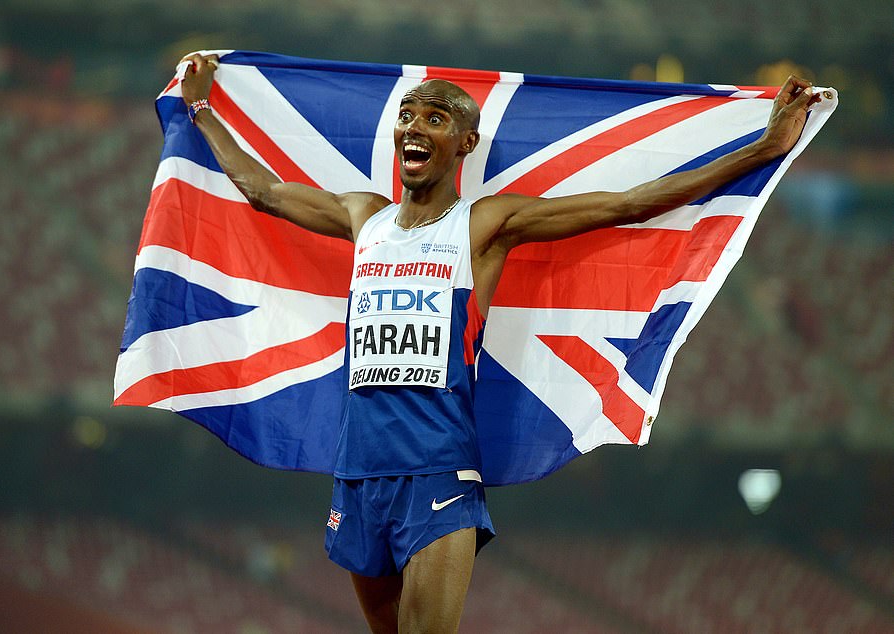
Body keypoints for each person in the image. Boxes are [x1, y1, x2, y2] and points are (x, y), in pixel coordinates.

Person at [179, 52, 820, 633]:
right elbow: (260, 191)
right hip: (359, 473)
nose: (413, 127)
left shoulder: (485, 225)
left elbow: (631, 203)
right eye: (407, 115)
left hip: (438, 469)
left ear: (465, 142)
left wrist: (764, 149)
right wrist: (201, 108)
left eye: (434, 119)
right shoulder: (362, 216)